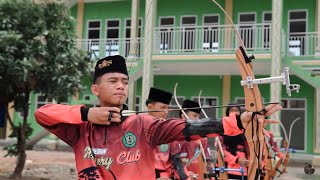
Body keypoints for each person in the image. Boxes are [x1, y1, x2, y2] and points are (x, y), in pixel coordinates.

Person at [34, 55, 282, 180]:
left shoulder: (144, 124)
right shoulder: (80, 130)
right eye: (113, 81)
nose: (121, 86)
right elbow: (42, 114)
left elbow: (187, 128)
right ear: (95, 90)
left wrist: (237, 122)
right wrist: (88, 113)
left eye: (125, 81)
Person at [171, 100, 212, 180]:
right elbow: (175, 161)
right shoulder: (175, 136)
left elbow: (207, 159)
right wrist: (186, 174)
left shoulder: (202, 137)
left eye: (198, 116)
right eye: (195, 116)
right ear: (183, 116)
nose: (198, 119)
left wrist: (208, 175)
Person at [145, 87, 174, 179]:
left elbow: (173, 157)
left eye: (167, 108)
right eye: (162, 107)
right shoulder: (138, 124)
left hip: (165, 175)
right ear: (150, 107)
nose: (166, 111)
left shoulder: (167, 127)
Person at [219, 104, 249, 180]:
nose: (234, 113)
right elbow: (221, 149)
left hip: (244, 167)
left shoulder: (245, 129)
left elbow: (249, 148)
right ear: (227, 113)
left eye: (236, 110)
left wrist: (250, 161)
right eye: (232, 110)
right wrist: (235, 160)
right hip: (229, 167)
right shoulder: (222, 130)